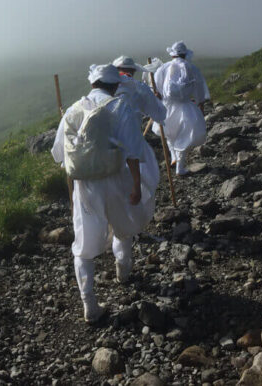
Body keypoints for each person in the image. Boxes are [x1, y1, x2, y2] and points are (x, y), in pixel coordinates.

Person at [51, 64, 155, 323]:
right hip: (115, 179)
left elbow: (58, 154)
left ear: (93, 84)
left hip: (85, 185)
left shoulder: (74, 109)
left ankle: (90, 305)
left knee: (84, 244)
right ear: (115, 85)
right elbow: (133, 153)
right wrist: (135, 186)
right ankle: (123, 270)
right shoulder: (120, 108)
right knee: (123, 225)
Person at [113, 55, 166, 214]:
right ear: (133, 71)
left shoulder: (105, 87)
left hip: (106, 144)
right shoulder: (138, 87)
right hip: (133, 141)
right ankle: (134, 218)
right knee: (142, 179)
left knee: (114, 183)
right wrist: (157, 100)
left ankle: (118, 221)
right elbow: (159, 114)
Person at [152, 41, 210, 176]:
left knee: (169, 132)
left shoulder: (163, 68)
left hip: (167, 105)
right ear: (185, 54)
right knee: (184, 135)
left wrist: (158, 97)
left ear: (172, 54)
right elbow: (199, 87)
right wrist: (200, 102)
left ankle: (173, 155)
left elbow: (157, 88)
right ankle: (179, 166)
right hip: (185, 105)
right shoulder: (191, 68)